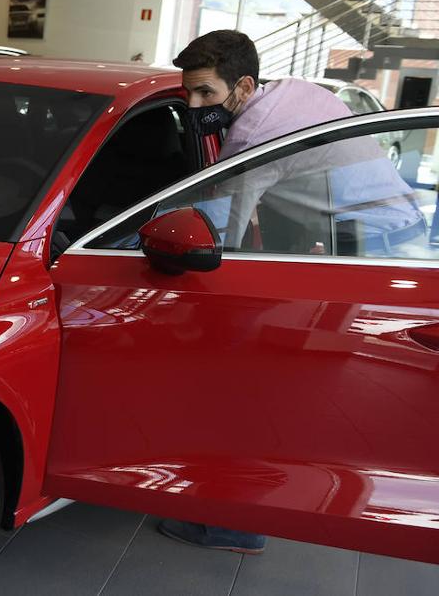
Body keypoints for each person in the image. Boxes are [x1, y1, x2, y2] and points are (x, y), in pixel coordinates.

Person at [157, 29, 425, 553]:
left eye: (207, 93)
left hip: (368, 251)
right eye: (188, 92)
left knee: (250, 383)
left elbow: (223, 235)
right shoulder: (298, 91)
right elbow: (305, 178)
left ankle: (235, 522)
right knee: (284, 382)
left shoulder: (252, 138)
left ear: (244, 86)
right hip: (390, 236)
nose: (194, 106)